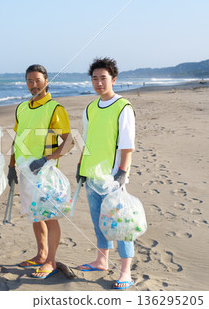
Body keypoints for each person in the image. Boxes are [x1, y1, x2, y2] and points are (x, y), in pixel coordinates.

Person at [8, 64, 73, 279]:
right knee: (35, 215)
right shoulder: (21, 108)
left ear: (46, 81)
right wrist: (10, 167)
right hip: (25, 170)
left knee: (50, 215)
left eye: (37, 80)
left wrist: (47, 158)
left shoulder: (55, 108)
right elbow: (17, 139)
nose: (33, 85)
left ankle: (51, 261)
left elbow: (69, 142)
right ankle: (41, 254)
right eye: (29, 81)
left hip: (45, 172)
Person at [76, 57, 136, 290]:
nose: (99, 83)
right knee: (99, 222)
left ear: (113, 79)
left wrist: (121, 172)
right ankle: (101, 260)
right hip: (91, 174)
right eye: (95, 78)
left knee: (120, 225)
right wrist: (81, 166)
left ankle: (125, 271)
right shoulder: (90, 108)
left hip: (112, 177)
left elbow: (127, 144)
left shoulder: (123, 107)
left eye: (103, 78)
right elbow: (87, 139)